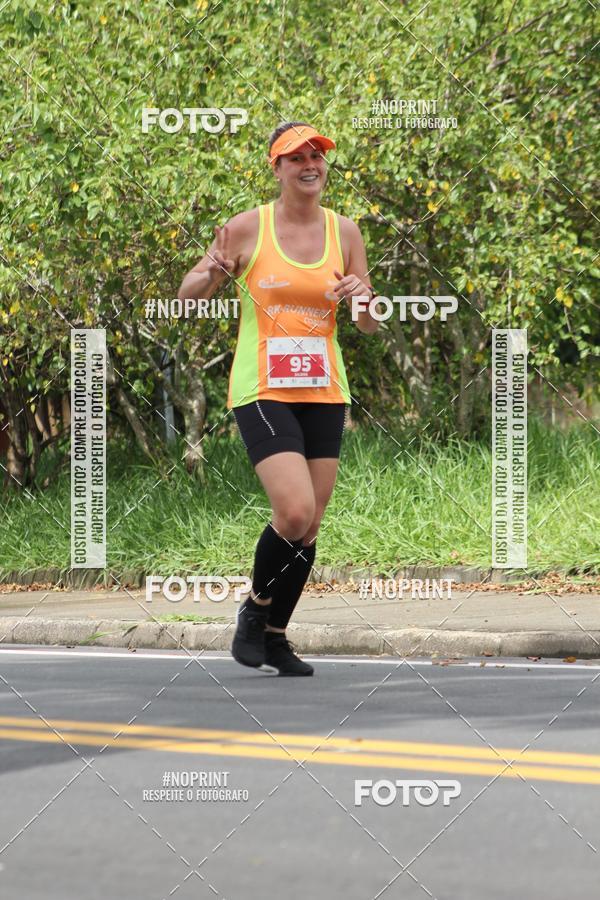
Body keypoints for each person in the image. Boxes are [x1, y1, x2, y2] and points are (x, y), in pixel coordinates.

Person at [178, 121, 378, 676]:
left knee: (310, 525)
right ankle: (255, 607)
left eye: (317, 155)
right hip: (262, 388)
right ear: (277, 168)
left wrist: (365, 298)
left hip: (324, 388)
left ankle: (275, 635)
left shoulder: (346, 232)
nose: (310, 164)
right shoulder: (247, 228)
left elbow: (367, 325)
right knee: (293, 512)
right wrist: (213, 273)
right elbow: (186, 295)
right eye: (296, 158)